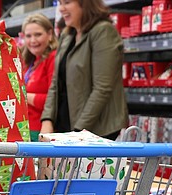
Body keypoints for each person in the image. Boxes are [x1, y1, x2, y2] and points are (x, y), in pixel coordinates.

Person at [40, 0, 128, 140]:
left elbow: (102, 87)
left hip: (96, 130)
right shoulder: (67, 35)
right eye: (60, 3)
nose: (61, 9)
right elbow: (55, 83)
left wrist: (78, 131)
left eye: (67, 2)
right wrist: (47, 120)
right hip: (66, 126)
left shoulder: (103, 32)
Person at [21, 13, 58, 142]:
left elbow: (52, 100)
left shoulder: (53, 58)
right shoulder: (29, 61)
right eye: (28, 36)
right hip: (25, 128)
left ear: (50, 34)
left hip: (42, 130)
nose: (33, 41)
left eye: (38, 35)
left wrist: (22, 95)